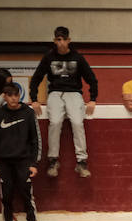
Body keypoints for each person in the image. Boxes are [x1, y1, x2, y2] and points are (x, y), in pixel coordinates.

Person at [29, 25, 97, 178]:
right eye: (58, 40)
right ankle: (53, 160)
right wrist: (34, 99)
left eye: (63, 40)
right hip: (55, 93)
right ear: (54, 40)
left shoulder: (78, 58)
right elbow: (36, 79)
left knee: (78, 123)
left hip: (74, 93)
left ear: (68, 40)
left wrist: (93, 99)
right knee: (55, 122)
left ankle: (82, 162)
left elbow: (92, 79)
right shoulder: (49, 57)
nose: (60, 43)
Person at [0, 83, 42, 221]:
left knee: (27, 197)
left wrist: (34, 163)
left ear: (20, 96)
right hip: (3, 163)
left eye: (16, 95)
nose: (13, 98)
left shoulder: (28, 113)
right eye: (10, 95)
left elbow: (36, 140)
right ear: (4, 96)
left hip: (24, 161)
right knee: (7, 198)